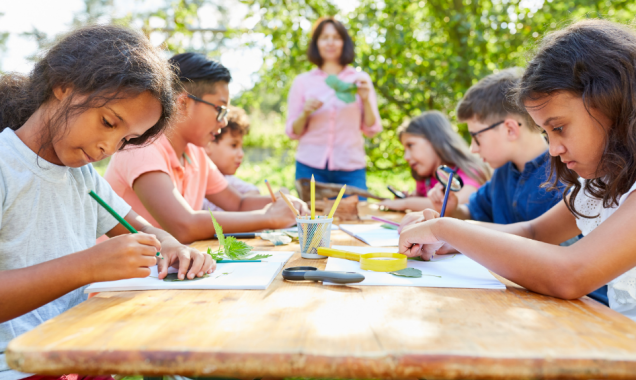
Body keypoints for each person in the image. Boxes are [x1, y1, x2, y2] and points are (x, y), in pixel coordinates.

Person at [0, 25, 214, 380]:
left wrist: (174, 247)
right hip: (18, 366)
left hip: (77, 354)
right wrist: (88, 266)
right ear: (64, 84)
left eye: (125, 139)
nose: (108, 148)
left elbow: (142, 229)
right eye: (107, 122)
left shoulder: (83, 178)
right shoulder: (6, 168)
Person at [399, 19, 636, 320]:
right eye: (547, 134)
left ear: (612, 103)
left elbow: (571, 274)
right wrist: (451, 238)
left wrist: (444, 228)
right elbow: (534, 232)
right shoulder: (602, 183)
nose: (553, 149)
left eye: (560, 128)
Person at [105, 53, 308, 244]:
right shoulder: (141, 147)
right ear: (182, 103)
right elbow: (183, 226)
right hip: (121, 275)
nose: (224, 121)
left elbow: (238, 203)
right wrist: (268, 217)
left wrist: (288, 205)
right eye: (220, 110)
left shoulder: (195, 154)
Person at [286, 17, 382, 192]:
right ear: (317, 43)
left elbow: (371, 128)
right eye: (324, 37)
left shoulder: (359, 80)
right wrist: (305, 113)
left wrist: (366, 99)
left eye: (336, 37)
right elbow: (293, 132)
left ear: (344, 43)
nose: (330, 43)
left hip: (351, 168)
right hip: (310, 167)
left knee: (356, 218)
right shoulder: (302, 82)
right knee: (311, 219)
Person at [378, 111, 489, 211]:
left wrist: (406, 203)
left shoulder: (468, 171)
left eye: (410, 145)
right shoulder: (426, 179)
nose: (406, 157)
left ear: (435, 140)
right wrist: (412, 198)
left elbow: (456, 204)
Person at [202, 106, 259, 211]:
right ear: (209, 143)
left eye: (241, 147)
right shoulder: (198, 178)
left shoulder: (227, 179)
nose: (241, 154)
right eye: (233, 145)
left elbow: (253, 190)